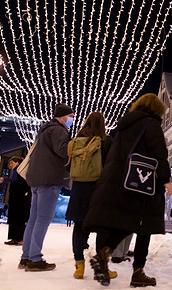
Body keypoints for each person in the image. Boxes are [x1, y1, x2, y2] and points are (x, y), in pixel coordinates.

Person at [84, 93, 172, 287]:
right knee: (145, 227)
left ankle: (103, 254)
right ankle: (138, 272)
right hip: (145, 183)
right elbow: (159, 153)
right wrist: (167, 179)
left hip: (122, 181)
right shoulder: (151, 124)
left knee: (127, 222)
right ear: (157, 108)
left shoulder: (124, 125)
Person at [19, 103, 74, 272]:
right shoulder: (58, 130)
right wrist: (75, 146)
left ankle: (26, 257)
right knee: (43, 219)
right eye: (71, 116)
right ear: (63, 116)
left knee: (34, 219)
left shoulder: (45, 129)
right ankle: (35, 259)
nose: (72, 119)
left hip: (36, 179)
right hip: (49, 180)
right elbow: (62, 151)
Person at [65, 111, 116, 280]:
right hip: (99, 190)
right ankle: (102, 268)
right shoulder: (106, 141)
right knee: (103, 229)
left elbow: (68, 167)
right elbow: (113, 166)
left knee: (79, 228)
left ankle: (79, 267)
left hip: (79, 190)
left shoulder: (76, 142)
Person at [4, 157, 31, 246]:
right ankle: (13, 237)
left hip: (22, 199)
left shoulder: (23, 171)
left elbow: (26, 185)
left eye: (12, 163)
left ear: (18, 163)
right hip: (14, 198)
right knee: (12, 217)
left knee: (20, 218)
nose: (10, 165)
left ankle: (20, 238)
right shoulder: (13, 172)